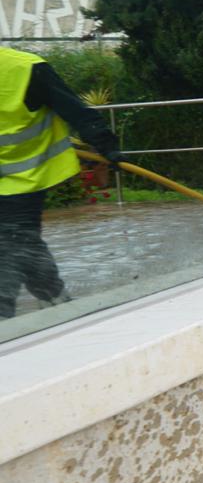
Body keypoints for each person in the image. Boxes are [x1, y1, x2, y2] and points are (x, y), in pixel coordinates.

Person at [0, 46, 122, 319]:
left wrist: (105, 144)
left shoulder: (26, 68)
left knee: (11, 240)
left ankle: (3, 313)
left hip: (24, 177)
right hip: (18, 176)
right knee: (22, 241)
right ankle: (56, 298)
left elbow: (73, 109)